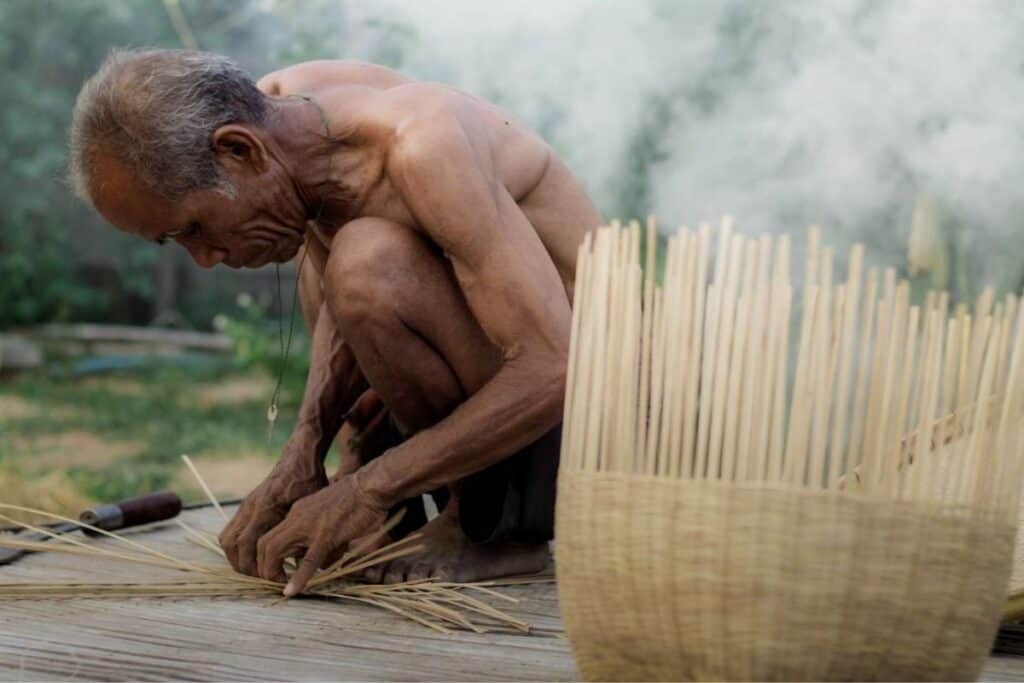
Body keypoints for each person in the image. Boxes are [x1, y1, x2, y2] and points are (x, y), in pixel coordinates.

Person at [69, 49, 601, 596]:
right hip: (511, 378)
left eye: (195, 228)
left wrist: (368, 490)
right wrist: (306, 448)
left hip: (587, 413)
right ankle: (396, 507)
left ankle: (493, 527)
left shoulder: (421, 147)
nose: (205, 259)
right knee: (343, 259)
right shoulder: (286, 114)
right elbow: (344, 306)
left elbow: (555, 366)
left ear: (239, 150)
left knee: (368, 263)